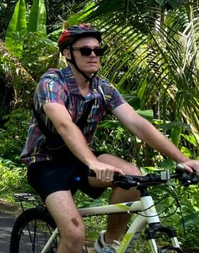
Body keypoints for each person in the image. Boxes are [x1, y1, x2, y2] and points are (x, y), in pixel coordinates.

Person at [20, 23, 199, 253]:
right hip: (45, 162)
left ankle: (108, 244)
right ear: (67, 54)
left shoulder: (102, 88)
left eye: (98, 50)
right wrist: (92, 162)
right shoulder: (52, 82)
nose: (93, 55)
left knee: (133, 175)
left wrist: (183, 160)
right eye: (86, 50)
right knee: (74, 235)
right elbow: (64, 125)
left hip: (81, 159)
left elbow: (137, 123)